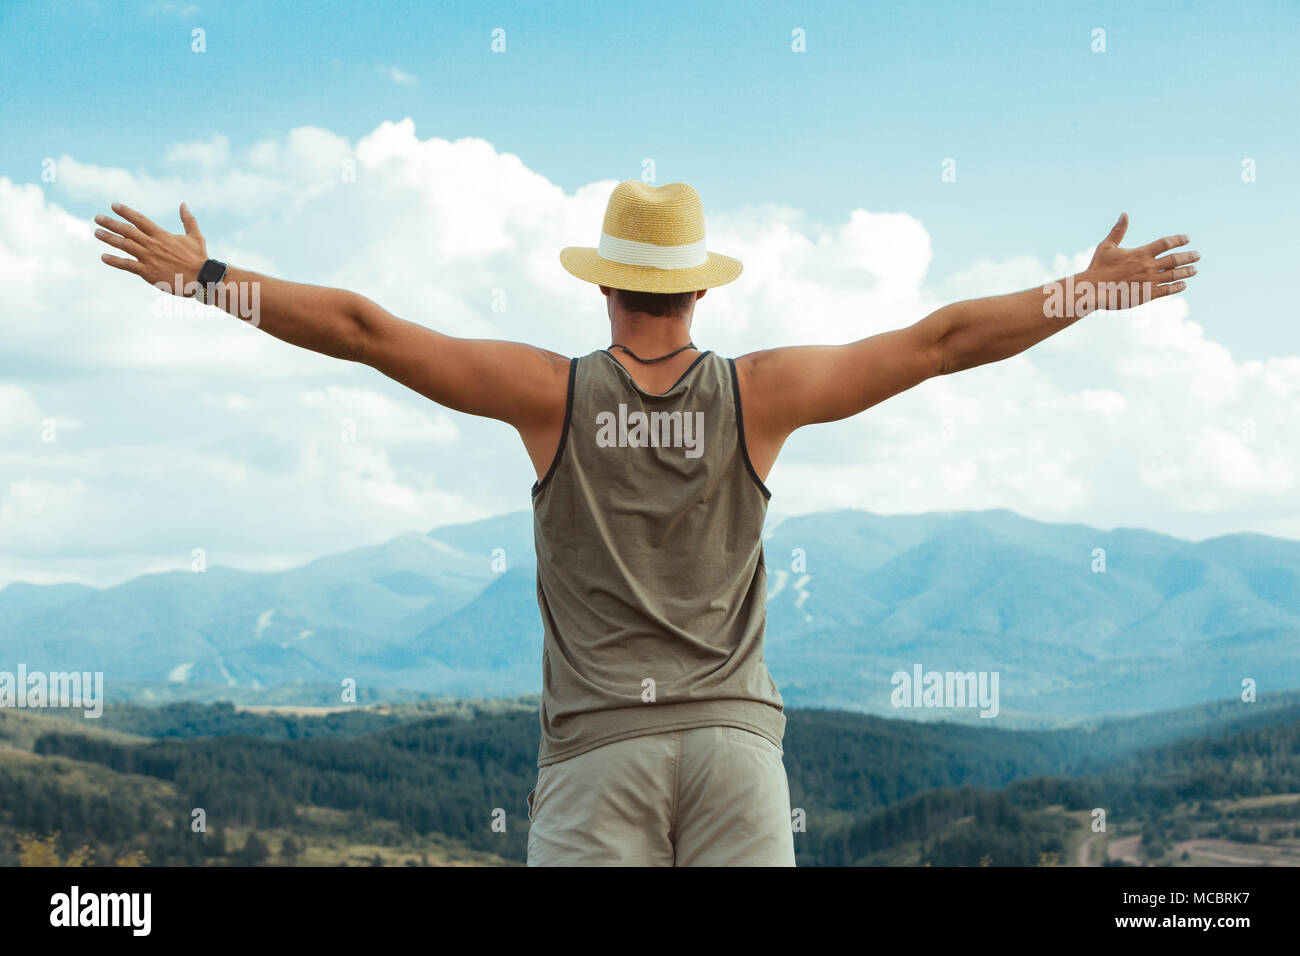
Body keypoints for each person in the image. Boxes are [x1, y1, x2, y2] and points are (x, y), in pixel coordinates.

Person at [95, 180, 1199, 866]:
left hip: (595, 754)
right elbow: (941, 340)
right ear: (699, 291)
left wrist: (212, 278)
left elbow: (364, 328)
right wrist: (1081, 292)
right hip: (736, 751)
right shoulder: (761, 393)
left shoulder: (549, 397)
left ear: (607, 288)